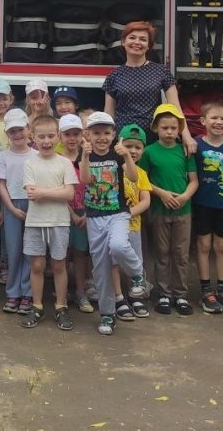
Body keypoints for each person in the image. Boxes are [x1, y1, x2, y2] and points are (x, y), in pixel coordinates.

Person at [80, 112, 147, 334]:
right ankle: (107, 315)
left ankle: (138, 274)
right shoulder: (86, 154)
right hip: (94, 217)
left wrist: (127, 156)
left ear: (113, 134)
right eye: (96, 133)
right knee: (101, 269)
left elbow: (134, 178)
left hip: (118, 213)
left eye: (106, 133)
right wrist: (85, 157)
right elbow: (85, 180)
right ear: (87, 135)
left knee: (118, 245)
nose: (101, 138)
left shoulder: (118, 154)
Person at [139, 103, 198, 316]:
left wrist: (184, 197)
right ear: (155, 128)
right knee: (162, 252)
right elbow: (142, 180)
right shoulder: (148, 152)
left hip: (183, 210)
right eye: (165, 128)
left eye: (174, 128)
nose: (170, 132)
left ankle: (180, 294)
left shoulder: (184, 151)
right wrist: (162, 193)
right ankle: (164, 292)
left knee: (180, 253)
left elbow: (193, 181)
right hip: (158, 209)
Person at [102, 21, 196, 154]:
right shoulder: (114, 75)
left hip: (153, 138)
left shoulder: (161, 71)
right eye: (132, 37)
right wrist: (107, 142)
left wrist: (186, 136)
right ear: (123, 42)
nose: (137, 42)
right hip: (124, 140)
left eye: (143, 39)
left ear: (149, 46)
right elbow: (108, 115)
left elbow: (176, 108)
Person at [21, 115, 77, 330]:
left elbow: (70, 193)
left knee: (59, 264)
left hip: (59, 222)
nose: (46, 141)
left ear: (58, 137)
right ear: (32, 137)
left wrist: (45, 192)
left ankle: (61, 306)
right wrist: (57, 192)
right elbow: (31, 194)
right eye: (41, 136)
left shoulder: (64, 163)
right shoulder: (29, 163)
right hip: (35, 222)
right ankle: (37, 306)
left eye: (51, 136)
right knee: (37, 265)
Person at [192, 101, 223, 315]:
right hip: (202, 203)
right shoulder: (195, 146)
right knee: (203, 245)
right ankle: (205, 290)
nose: (219, 122)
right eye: (214, 118)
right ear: (203, 121)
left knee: (222, 247)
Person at [0, 108, 35, 315]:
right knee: (13, 250)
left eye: (20, 130)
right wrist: (10, 208)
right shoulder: (3, 156)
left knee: (30, 251)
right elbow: (1, 184)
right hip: (11, 205)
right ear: (7, 134)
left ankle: (28, 293)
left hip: (34, 206)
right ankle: (13, 292)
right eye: (13, 132)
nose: (17, 135)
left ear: (28, 129)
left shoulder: (37, 155)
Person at [57, 113, 93, 313]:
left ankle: (80, 292)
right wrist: (71, 213)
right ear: (60, 136)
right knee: (61, 253)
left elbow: (95, 188)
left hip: (84, 212)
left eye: (76, 134)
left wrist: (86, 213)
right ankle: (62, 293)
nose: (72, 138)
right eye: (67, 134)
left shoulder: (88, 156)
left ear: (82, 135)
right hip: (63, 211)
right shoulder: (57, 159)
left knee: (80, 254)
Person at [117, 124, 153, 318]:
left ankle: (136, 297)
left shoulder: (141, 174)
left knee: (135, 261)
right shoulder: (113, 167)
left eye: (137, 147)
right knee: (114, 262)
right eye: (128, 146)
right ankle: (118, 297)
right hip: (113, 225)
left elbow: (145, 201)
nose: (133, 151)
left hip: (133, 226)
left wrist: (126, 214)